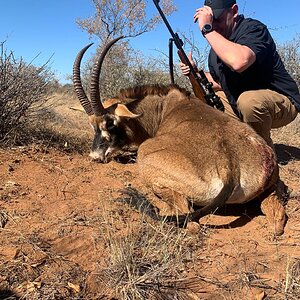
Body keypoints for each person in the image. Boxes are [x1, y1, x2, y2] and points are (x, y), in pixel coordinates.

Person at [180, 0, 300, 148]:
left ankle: (263, 155)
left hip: (282, 103)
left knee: (249, 101)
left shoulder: (253, 29)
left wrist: (207, 29)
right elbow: (218, 83)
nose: (214, 25)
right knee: (206, 103)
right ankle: (234, 149)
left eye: (216, 19)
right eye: (210, 21)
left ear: (234, 11)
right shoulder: (216, 52)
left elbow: (239, 62)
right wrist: (195, 72)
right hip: (241, 104)